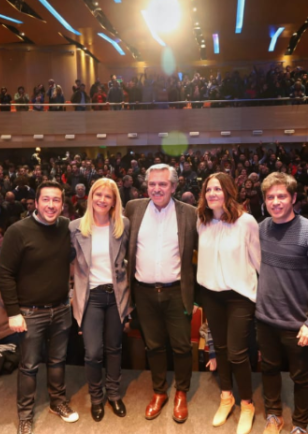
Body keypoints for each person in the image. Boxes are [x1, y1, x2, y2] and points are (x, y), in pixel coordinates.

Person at [256, 173, 308, 434]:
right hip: (265, 318)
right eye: (270, 197)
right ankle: (273, 416)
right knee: (268, 369)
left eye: (281, 196)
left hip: (297, 323)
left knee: (300, 377)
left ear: (294, 198)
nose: (275, 202)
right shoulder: (261, 228)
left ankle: (300, 425)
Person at [0, 181, 78, 434]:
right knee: (29, 365)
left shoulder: (66, 227)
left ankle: (58, 402)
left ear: (63, 204)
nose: (51, 205)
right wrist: (13, 312)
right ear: (35, 202)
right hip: (30, 312)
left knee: (57, 361)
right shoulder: (17, 231)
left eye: (56, 200)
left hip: (61, 308)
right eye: (46, 199)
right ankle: (25, 414)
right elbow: (5, 275)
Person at [124, 164, 198, 423]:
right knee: (153, 346)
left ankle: (181, 391)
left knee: (180, 346)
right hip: (143, 292)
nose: (156, 189)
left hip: (177, 292)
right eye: (152, 184)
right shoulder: (133, 208)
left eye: (163, 184)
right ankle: (159, 392)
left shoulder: (190, 213)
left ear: (174, 187)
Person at [196, 173, 260, 434]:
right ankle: (226, 396)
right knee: (219, 348)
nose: (212, 193)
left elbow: (258, 261)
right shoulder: (203, 222)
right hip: (211, 295)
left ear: (229, 192)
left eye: (218, 189)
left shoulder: (246, 222)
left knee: (236, 352)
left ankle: (246, 403)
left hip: (240, 296)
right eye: (208, 189)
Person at [70, 178, 131, 422]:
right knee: (93, 352)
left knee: (114, 349)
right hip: (91, 296)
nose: (102, 200)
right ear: (90, 197)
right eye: (98, 195)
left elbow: (129, 261)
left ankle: (114, 395)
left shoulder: (123, 225)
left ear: (114, 200)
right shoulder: (75, 227)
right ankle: (97, 398)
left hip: (116, 296)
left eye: (108, 196)